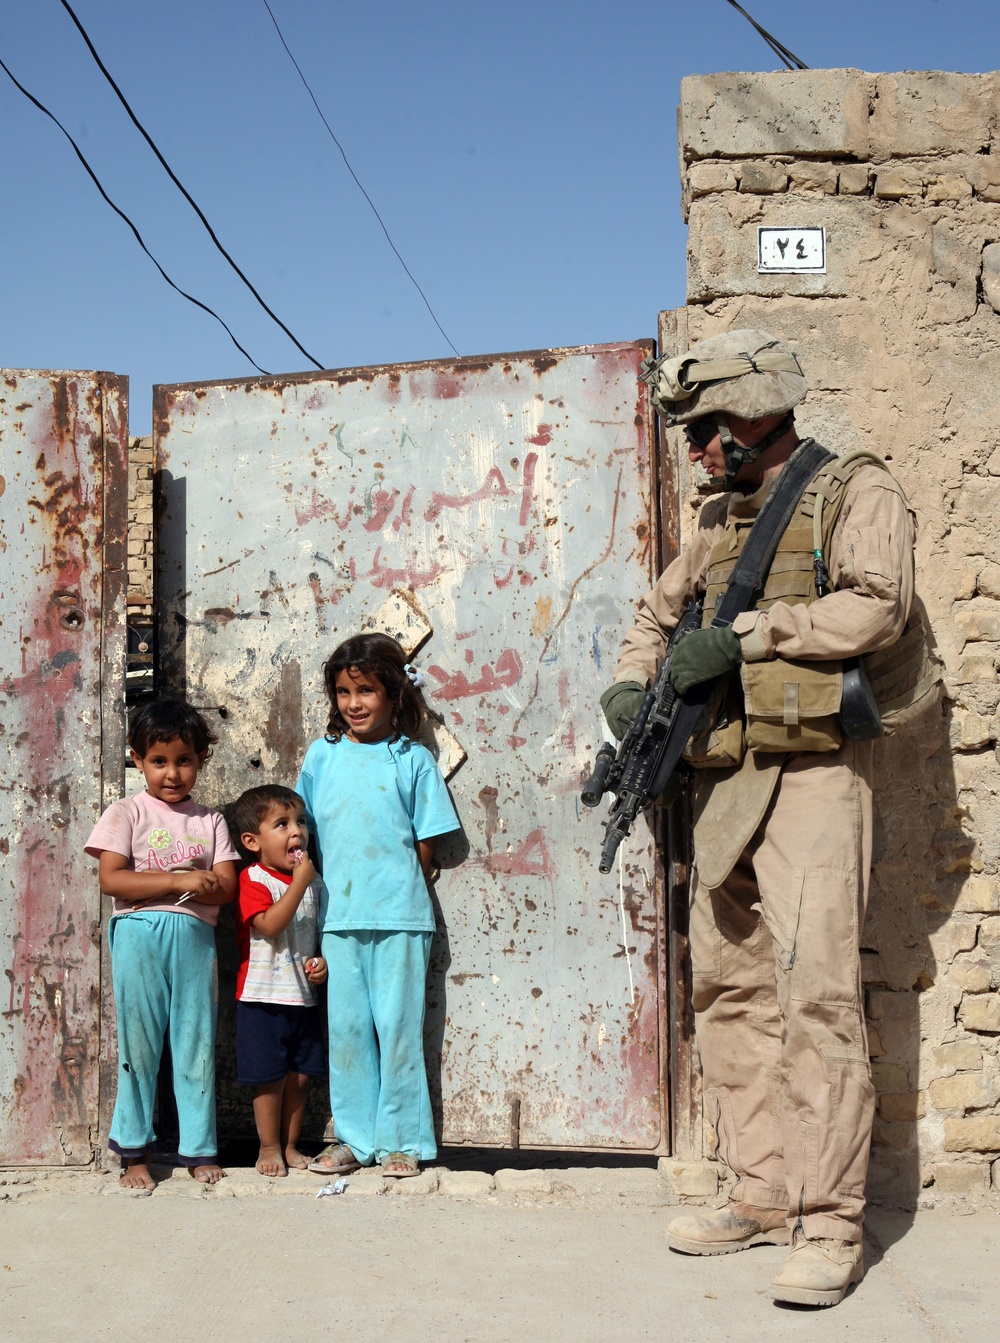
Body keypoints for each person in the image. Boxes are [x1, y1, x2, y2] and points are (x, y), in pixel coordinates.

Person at [602, 329, 915, 1308]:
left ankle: (828, 1221)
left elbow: (875, 607)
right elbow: (652, 620)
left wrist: (745, 634)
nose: (695, 449)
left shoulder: (849, 489)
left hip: (815, 773)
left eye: (704, 429)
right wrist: (629, 690)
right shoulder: (715, 518)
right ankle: (761, 1186)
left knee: (817, 997)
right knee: (729, 991)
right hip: (723, 780)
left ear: (753, 410)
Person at [296, 632, 459, 1179]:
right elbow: (308, 834)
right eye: (343, 692)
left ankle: (401, 1142)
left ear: (393, 694)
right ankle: (353, 1140)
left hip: (400, 919)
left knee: (396, 1029)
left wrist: (395, 884)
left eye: (365, 691)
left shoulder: (412, 760)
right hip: (339, 920)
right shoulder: (322, 755)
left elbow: (426, 841)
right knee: (346, 1034)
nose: (354, 704)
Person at [85, 700, 239, 1190]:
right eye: (159, 761)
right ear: (137, 758)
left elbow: (227, 886)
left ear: (201, 759)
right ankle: (134, 1154)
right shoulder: (126, 811)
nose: (172, 774)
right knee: (139, 1044)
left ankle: (199, 1150)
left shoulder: (211, 821)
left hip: (195, 939)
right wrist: (179, 882)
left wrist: (190, 881)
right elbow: (113, 880)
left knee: (195, 1043)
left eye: (184, 760)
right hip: (139, 935)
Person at [231, 784, 331, 1178]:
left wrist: (321, 963)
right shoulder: (253, 878)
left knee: (301, 1077)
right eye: (282, 824)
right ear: (253, 841)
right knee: (268, 1080)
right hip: (262, 998)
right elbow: (270, 925)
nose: (297, 832)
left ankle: (290, 1145)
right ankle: (268, 1147)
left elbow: (318, 935)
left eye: (301, 822)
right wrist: (299, 883)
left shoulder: (314, 882)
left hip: (302, 998)